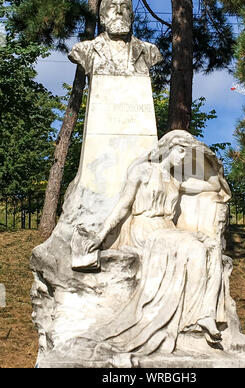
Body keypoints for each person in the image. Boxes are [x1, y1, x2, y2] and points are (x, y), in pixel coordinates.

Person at [75, 130, 232, 356]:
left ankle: (207, 313)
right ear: (166, 149)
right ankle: (193, 316)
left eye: (186, 153)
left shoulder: (176, 180)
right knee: (196, 248)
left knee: (212, 247)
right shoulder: (142, 172)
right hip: (146, 229)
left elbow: (214, 187)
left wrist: (210, 159)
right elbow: (123, 206)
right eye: (179, 151)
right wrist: (100, 236)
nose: (182, 157)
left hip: (168, 229)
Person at [68, 0, 162, 76]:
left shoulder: (149, 51)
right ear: (102, 18)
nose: (119, 11)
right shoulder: (85, 49)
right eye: (112, 6)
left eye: (124, 7)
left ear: (132, 17)